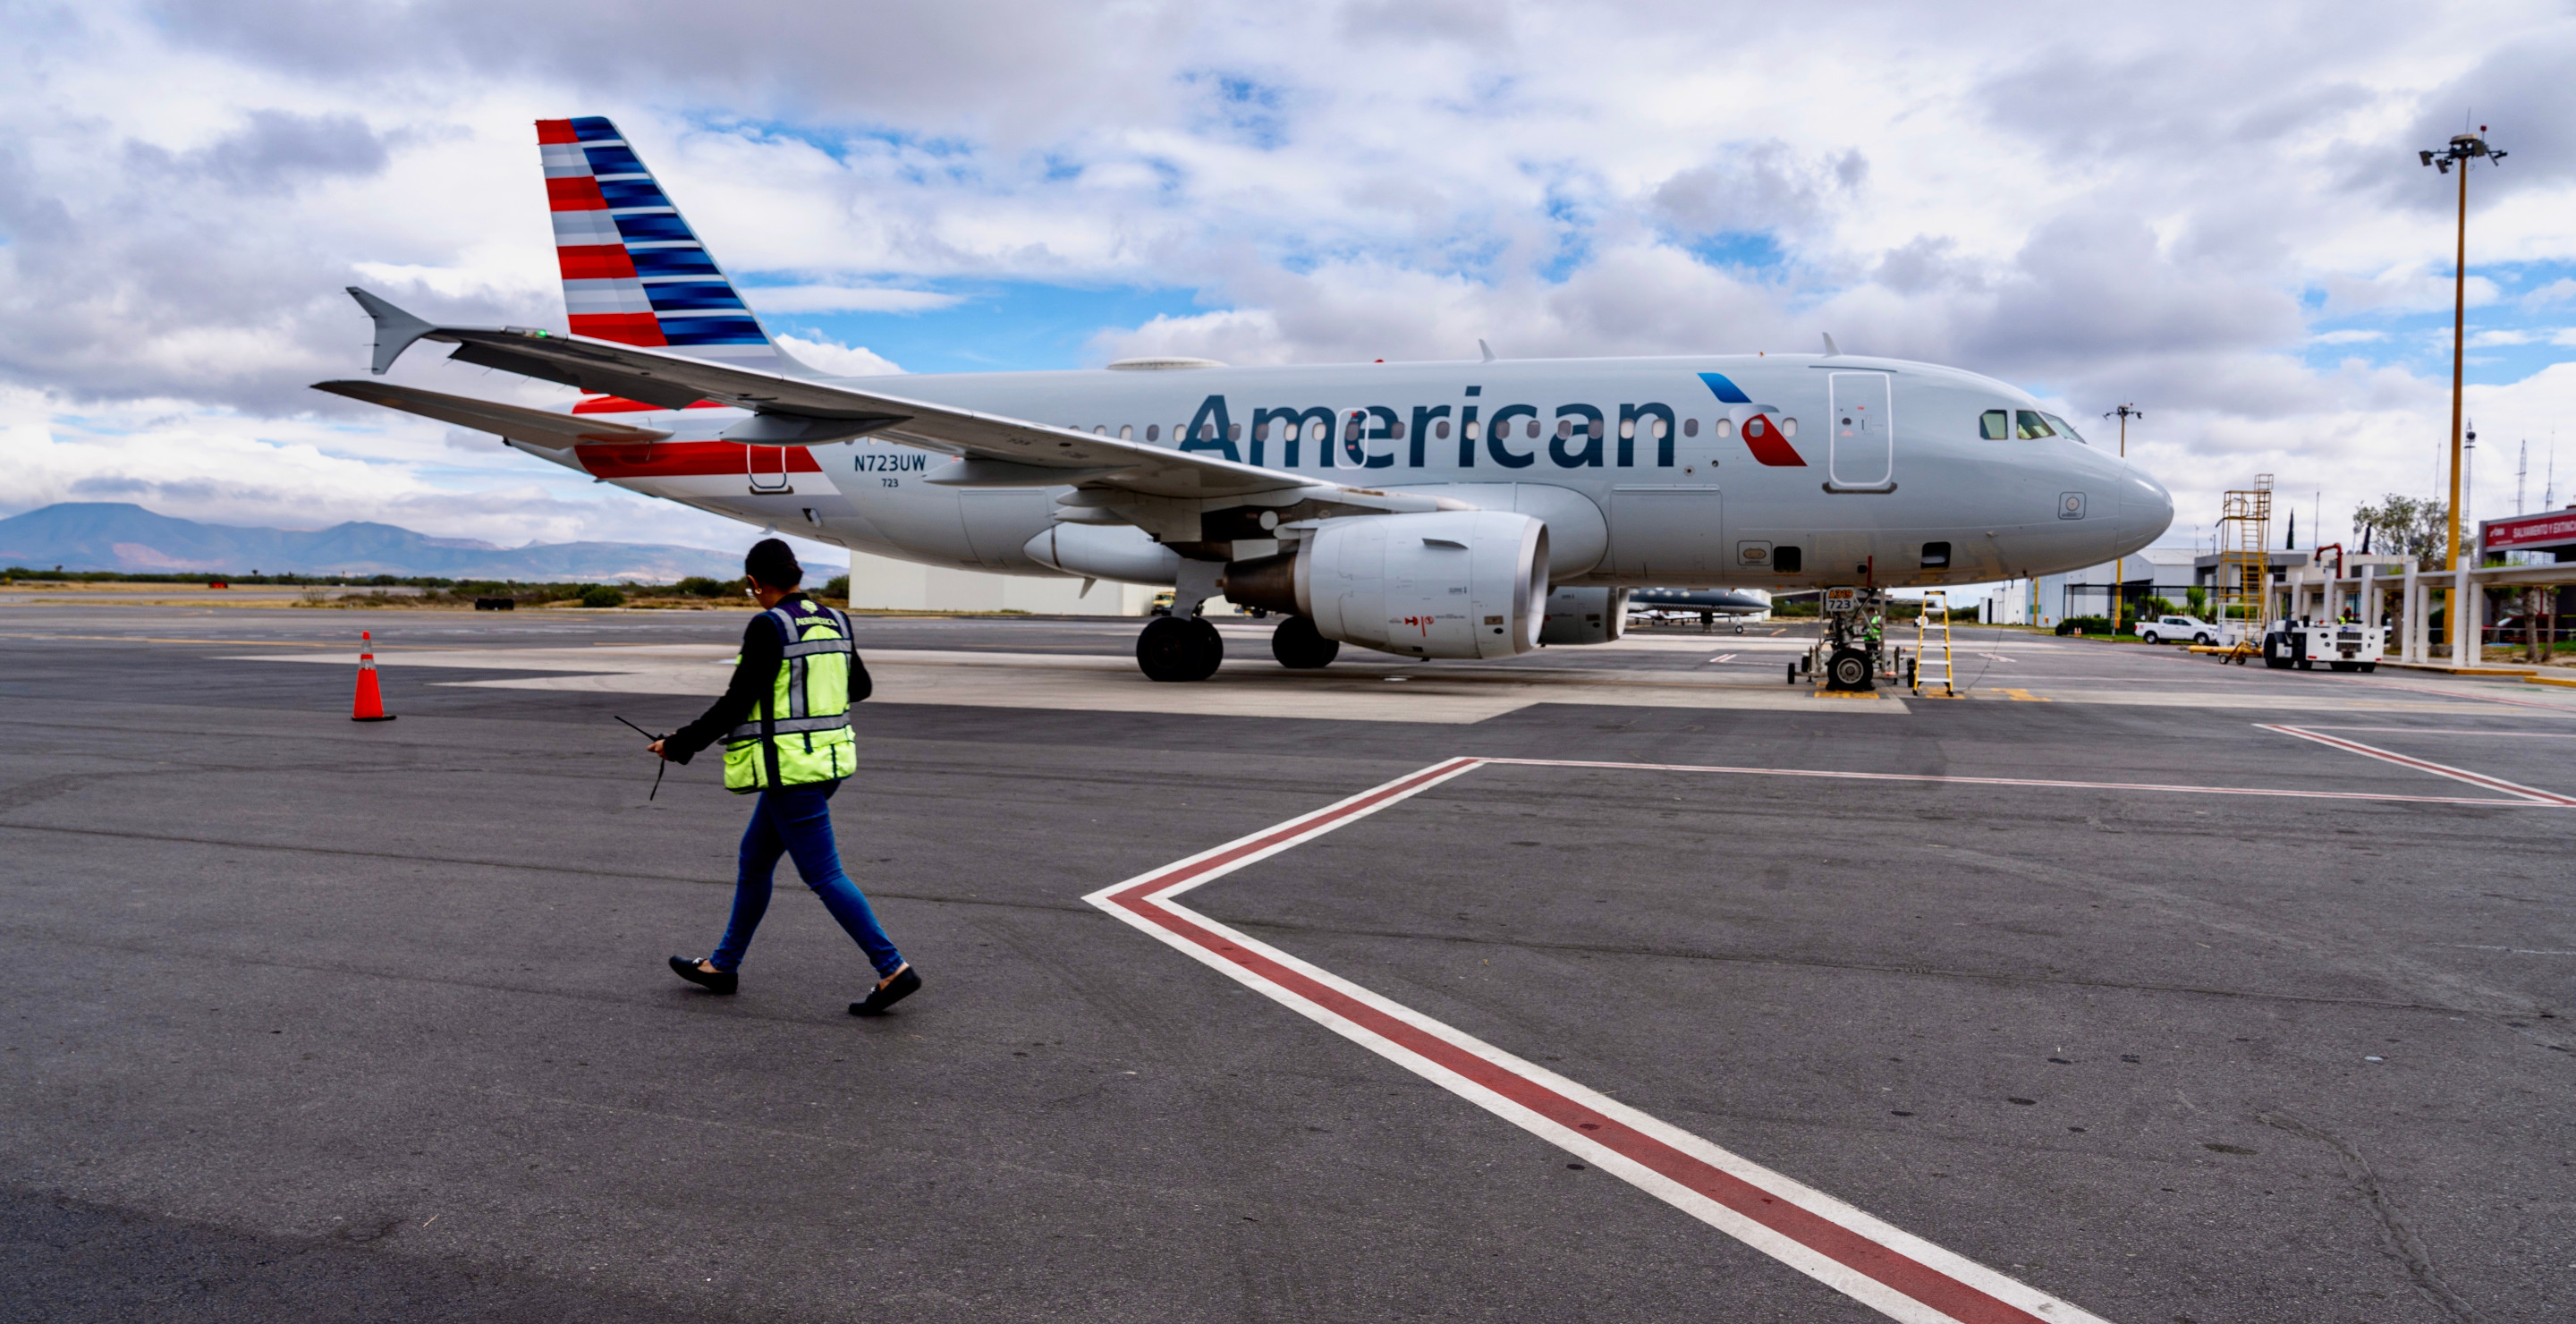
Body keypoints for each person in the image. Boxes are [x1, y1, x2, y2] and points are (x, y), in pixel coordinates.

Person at [647, 539, 920, 1017]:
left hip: (791, 769)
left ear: (755, 583)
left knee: (824, 874)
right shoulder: (836, 619)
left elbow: (736, 702)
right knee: (754, 860)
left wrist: (680, 743)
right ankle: (723, 966)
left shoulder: (769, 625)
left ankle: (892, 967)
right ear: (797, 573)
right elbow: (860, 687)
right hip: (827, 761)